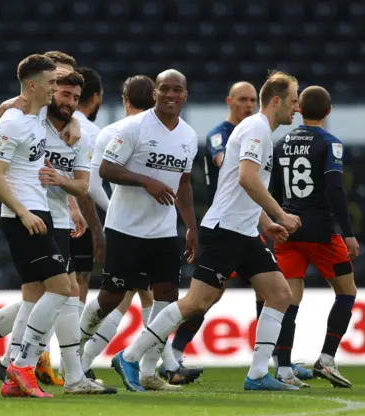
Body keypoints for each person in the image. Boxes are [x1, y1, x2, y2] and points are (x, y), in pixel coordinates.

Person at [112, 70, 303, 392]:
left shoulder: (261, 132)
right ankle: (129, 356)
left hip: (242, 230)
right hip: (226, 230)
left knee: (280, 294)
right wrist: (279, 213)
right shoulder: (256, 128)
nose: (296, 108)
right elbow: (246, 178)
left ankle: (257, 374)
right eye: (294, 101)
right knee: (196, 303)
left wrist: (262, 222)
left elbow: (235, 185)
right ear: (276, 100)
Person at [79, 69, 199, 391]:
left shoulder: (188, 136)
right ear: (155, 93)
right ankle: (73, 354)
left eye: (178, 89)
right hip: (124, 228)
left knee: (167, 301)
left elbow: (184, 184)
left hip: (163, 231)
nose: (171, 95)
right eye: (165, 89)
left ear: (185, 95)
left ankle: (148, 371)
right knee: (110, 297)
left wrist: (191, 226)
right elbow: (106, 168)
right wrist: (146, 181)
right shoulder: (134, 128)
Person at [0, 54, 72, 399]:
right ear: (33, 85)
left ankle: (13, 380)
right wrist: (22, 212)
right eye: (51, 83)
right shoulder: (14, 121)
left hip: (39, 212)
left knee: (37, 295)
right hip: (25, 218)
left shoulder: (34, 118)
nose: (56, 89)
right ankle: (22, 364)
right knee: (63, 289)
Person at [271, 85, 358, 388]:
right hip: (321, 234)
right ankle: (327, 359)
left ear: (299, 110)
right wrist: (347, 233)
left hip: (288, 231)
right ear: (329, 111)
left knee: (289, 301)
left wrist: (276, 221)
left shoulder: (281, 142)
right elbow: (335, 189)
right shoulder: (329, 143)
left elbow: (273, 191)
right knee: (347, 292)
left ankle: (283, 369)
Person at [70, 67, 105, 311]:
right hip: (75, 219)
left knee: (41, 287)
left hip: (42, 211)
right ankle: (72, 349)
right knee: (79, 280)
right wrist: (95, 228)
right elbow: (88, 187)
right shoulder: (93, 133)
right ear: (96, 97)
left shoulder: (49, 124)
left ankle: (34, 347)